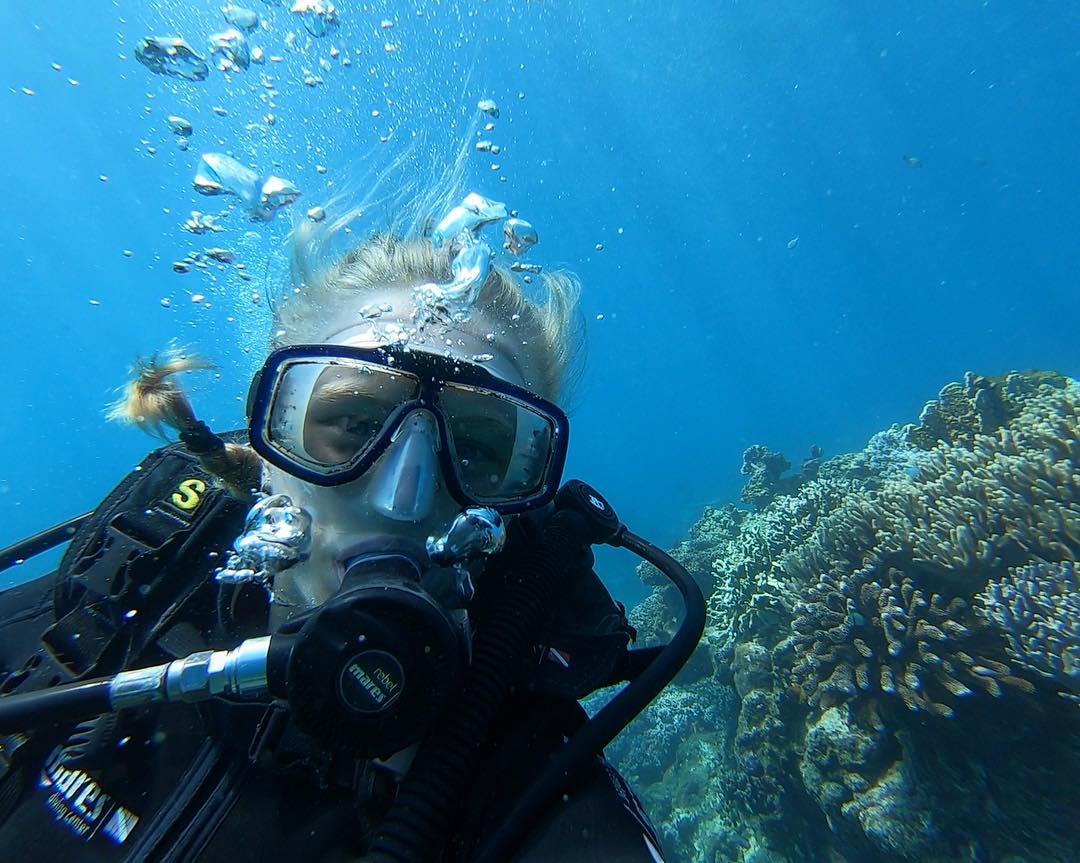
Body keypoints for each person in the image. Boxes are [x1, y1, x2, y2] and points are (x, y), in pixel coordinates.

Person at [0, 173, 674, 862]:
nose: (402, 499)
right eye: (353, 422)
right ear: (271, 442)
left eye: (475, 448)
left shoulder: (528, 781)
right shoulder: (129, 592)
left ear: (521, 491)